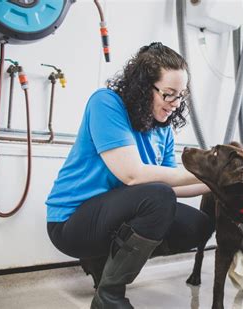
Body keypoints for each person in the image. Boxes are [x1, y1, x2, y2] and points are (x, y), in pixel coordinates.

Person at [45, 42, 211, 308]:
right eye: (168, 94)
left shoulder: (163, 128)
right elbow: (132, 175)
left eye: (180, 95)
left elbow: (173, 185)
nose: (175, 104)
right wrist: (206, 171)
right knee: (158, 196)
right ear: (145, 87)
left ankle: (105, 263)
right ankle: (109, 296)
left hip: (112, 217)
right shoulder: (106, 103)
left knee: (198, 226)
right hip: (71, 222)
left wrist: (216, 183)